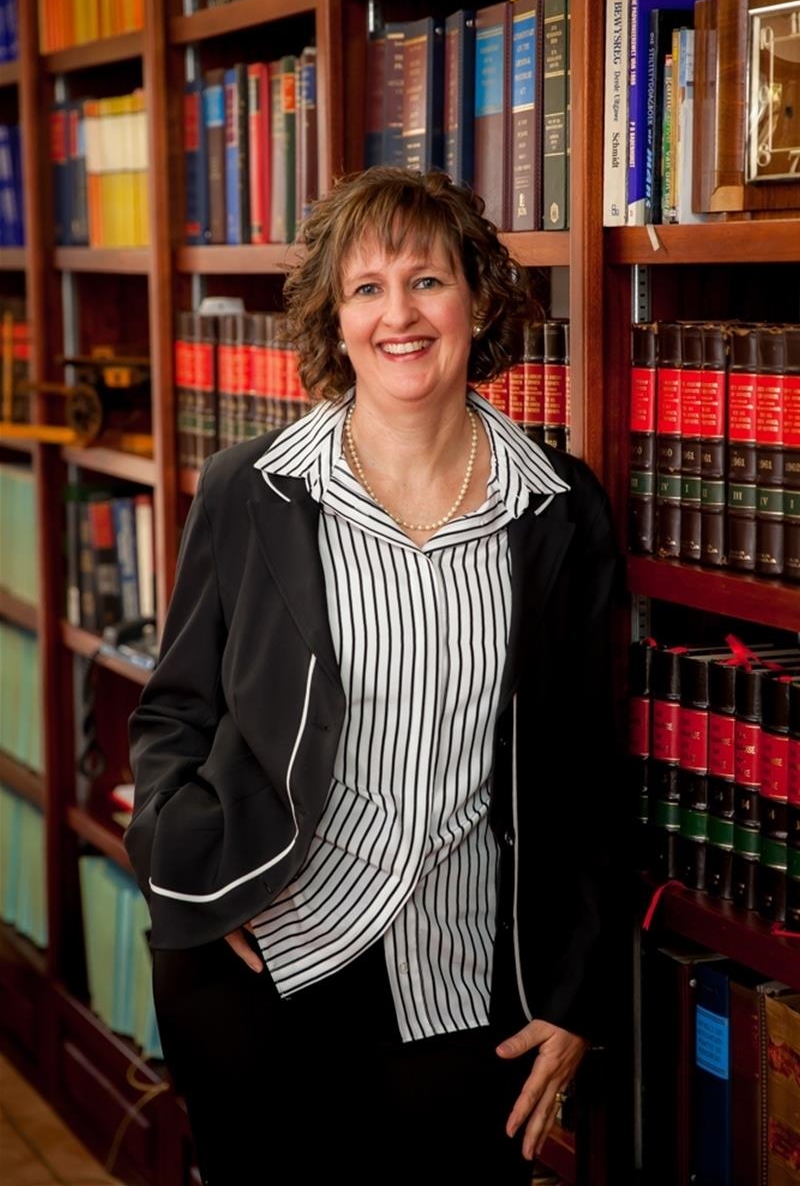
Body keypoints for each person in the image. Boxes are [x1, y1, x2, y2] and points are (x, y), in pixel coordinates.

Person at [126, 165, 621, 1185]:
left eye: (427, 280)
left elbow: (584, 767)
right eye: (366, 288)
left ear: (477, 299)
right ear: (336, 321)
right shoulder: (250, 491)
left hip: (463, 982)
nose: (399, 314)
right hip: (257, 964)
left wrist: (576, 995)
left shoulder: (560, 510)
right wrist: (191, 876)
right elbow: (175, 713)